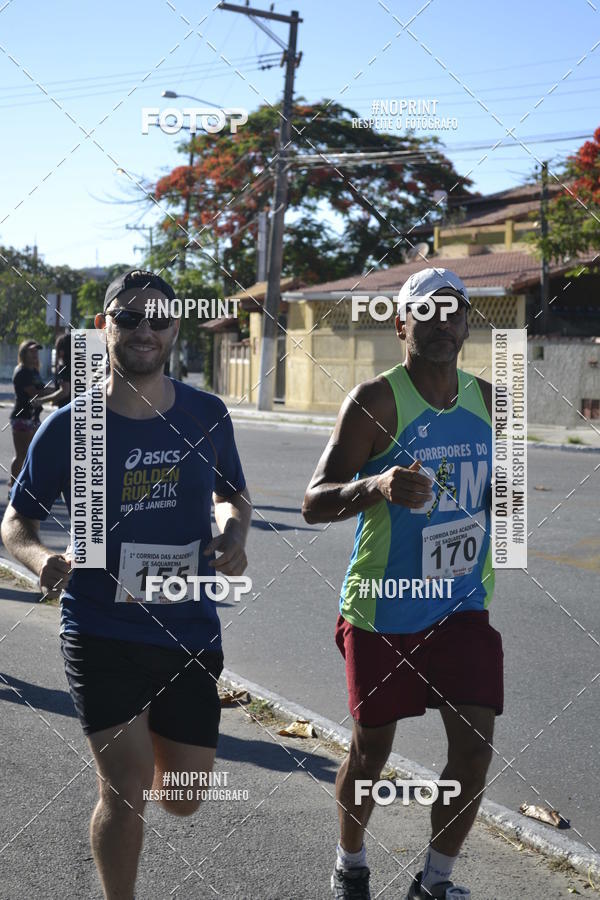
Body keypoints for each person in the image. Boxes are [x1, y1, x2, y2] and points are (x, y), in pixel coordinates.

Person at [2, 268, 252, 900]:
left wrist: (231, 535)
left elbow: (233, 497)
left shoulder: (206, 413)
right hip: (98, 627)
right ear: (102, 326)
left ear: (175, 328)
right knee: (125, 784)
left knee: (186, 797)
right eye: (129, 317)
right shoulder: (71, 426)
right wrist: (40, 561)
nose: (145, 329)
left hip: (188, 626)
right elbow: (16, 522)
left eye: (159, 319)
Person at [303, 268, 502, 899]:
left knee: (474, 750)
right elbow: (313, 502)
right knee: (370, 755)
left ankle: (434, 883)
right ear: (401, 325)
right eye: (428, 312)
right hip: (384, 607)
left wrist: (500, 497)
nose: (443, 323)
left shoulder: (493, 400)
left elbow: (511, 501)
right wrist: (377, 486)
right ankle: (350, 860)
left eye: (455, 312)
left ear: (467, 323)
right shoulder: (376, 401)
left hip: (463, 604)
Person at [9, 339, 67, 494]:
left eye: (37, 351)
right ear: (23, 353)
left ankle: (26, 486)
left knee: (33, 453)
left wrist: (60, 392)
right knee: (22, 454)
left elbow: (43, 389)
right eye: (32, 351)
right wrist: (59, 394)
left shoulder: (34, 371)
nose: (35, 354)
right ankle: (13, 486)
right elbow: (34, 393)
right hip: (22, 418)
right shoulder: (21, 372)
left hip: (34, 418)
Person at [53, 332, 72, 408]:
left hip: (66, 410)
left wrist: (42, 400)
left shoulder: (63, 368)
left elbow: (64, 391)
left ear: (61, 352)